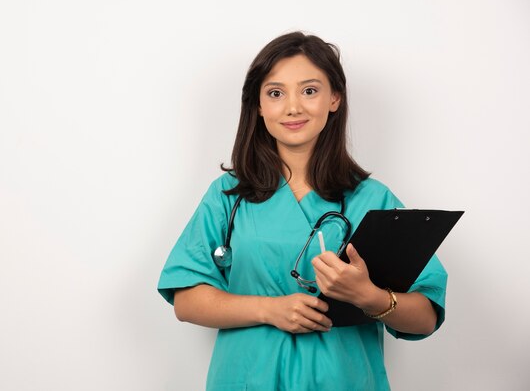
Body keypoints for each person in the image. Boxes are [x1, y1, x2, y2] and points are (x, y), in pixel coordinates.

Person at [157, 31, 447, 391]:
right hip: (246, 380)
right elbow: (186, 300)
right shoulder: (228, 196)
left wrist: (368, 297)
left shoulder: (371, 199)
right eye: (276, 93)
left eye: (309, 90)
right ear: (259, 106)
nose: (293, 107)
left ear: (334, 98)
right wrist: (269, 310)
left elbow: (426, 316)